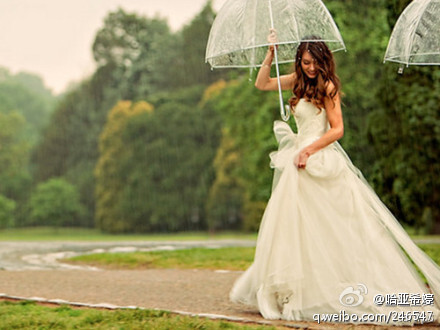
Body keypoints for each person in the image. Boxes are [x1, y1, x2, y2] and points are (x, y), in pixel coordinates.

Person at [229, 30, 440, 326]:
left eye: (315, 62)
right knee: (293, 227)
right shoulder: (297, 81)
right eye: (305, 62)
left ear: (323, 61)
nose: (310, 68)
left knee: (335, 229)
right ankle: (294, 288)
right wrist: (270, 54)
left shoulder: (328, 87)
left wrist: (308, 151)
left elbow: (337, 129)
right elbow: (262, 83)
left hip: (320, 161)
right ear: (299, 61)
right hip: (298, 165)